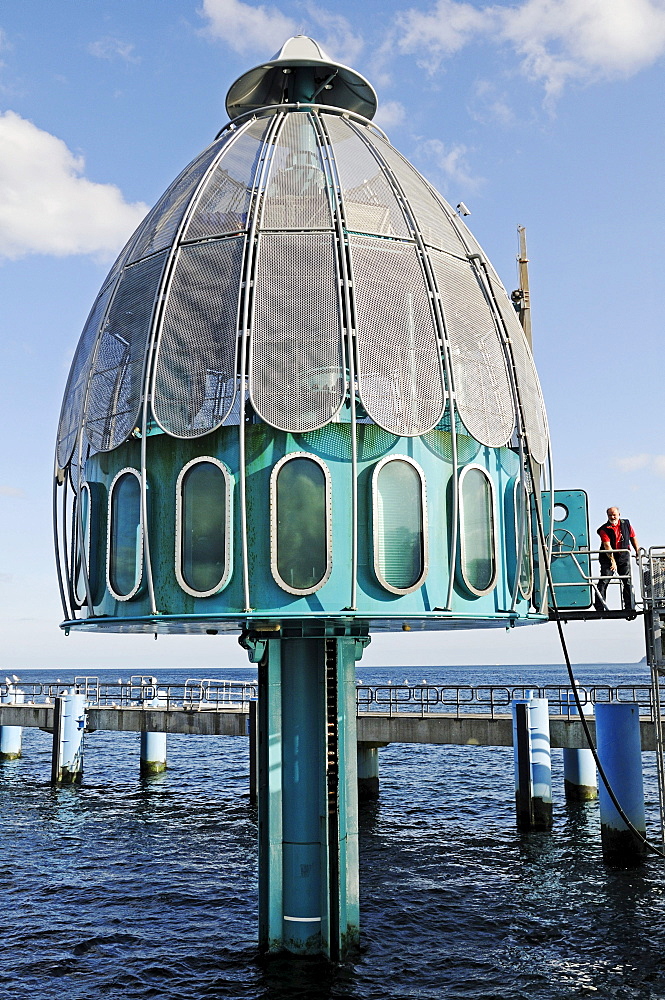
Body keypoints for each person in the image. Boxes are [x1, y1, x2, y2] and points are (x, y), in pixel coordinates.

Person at [594, 506, 639, 612]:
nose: (612, 517)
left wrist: (637, 551)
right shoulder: (604, 529)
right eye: (610, 515)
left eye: (614, 514)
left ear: (619, 514)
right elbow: (607, 546)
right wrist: (612, 561)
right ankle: (600, 607)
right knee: (604, 580)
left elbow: (633, 538)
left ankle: (629, 606)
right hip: (607, 557)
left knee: (627, 580)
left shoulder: (626, 524)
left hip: (623, 556)